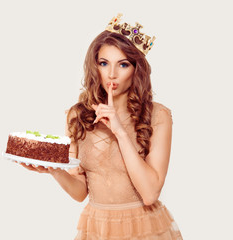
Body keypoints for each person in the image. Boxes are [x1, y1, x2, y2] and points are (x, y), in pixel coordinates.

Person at [21, 14, 183, 240]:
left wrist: (119, 130)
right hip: (97, 229)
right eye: (104, 63)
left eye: (123, 64)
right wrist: (54, 169)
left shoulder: (158, 115)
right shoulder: (77, 115)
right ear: (94, 65)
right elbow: (80, 192)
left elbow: (150, 193)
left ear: (136, 69)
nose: (112, 74)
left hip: (145, 228)